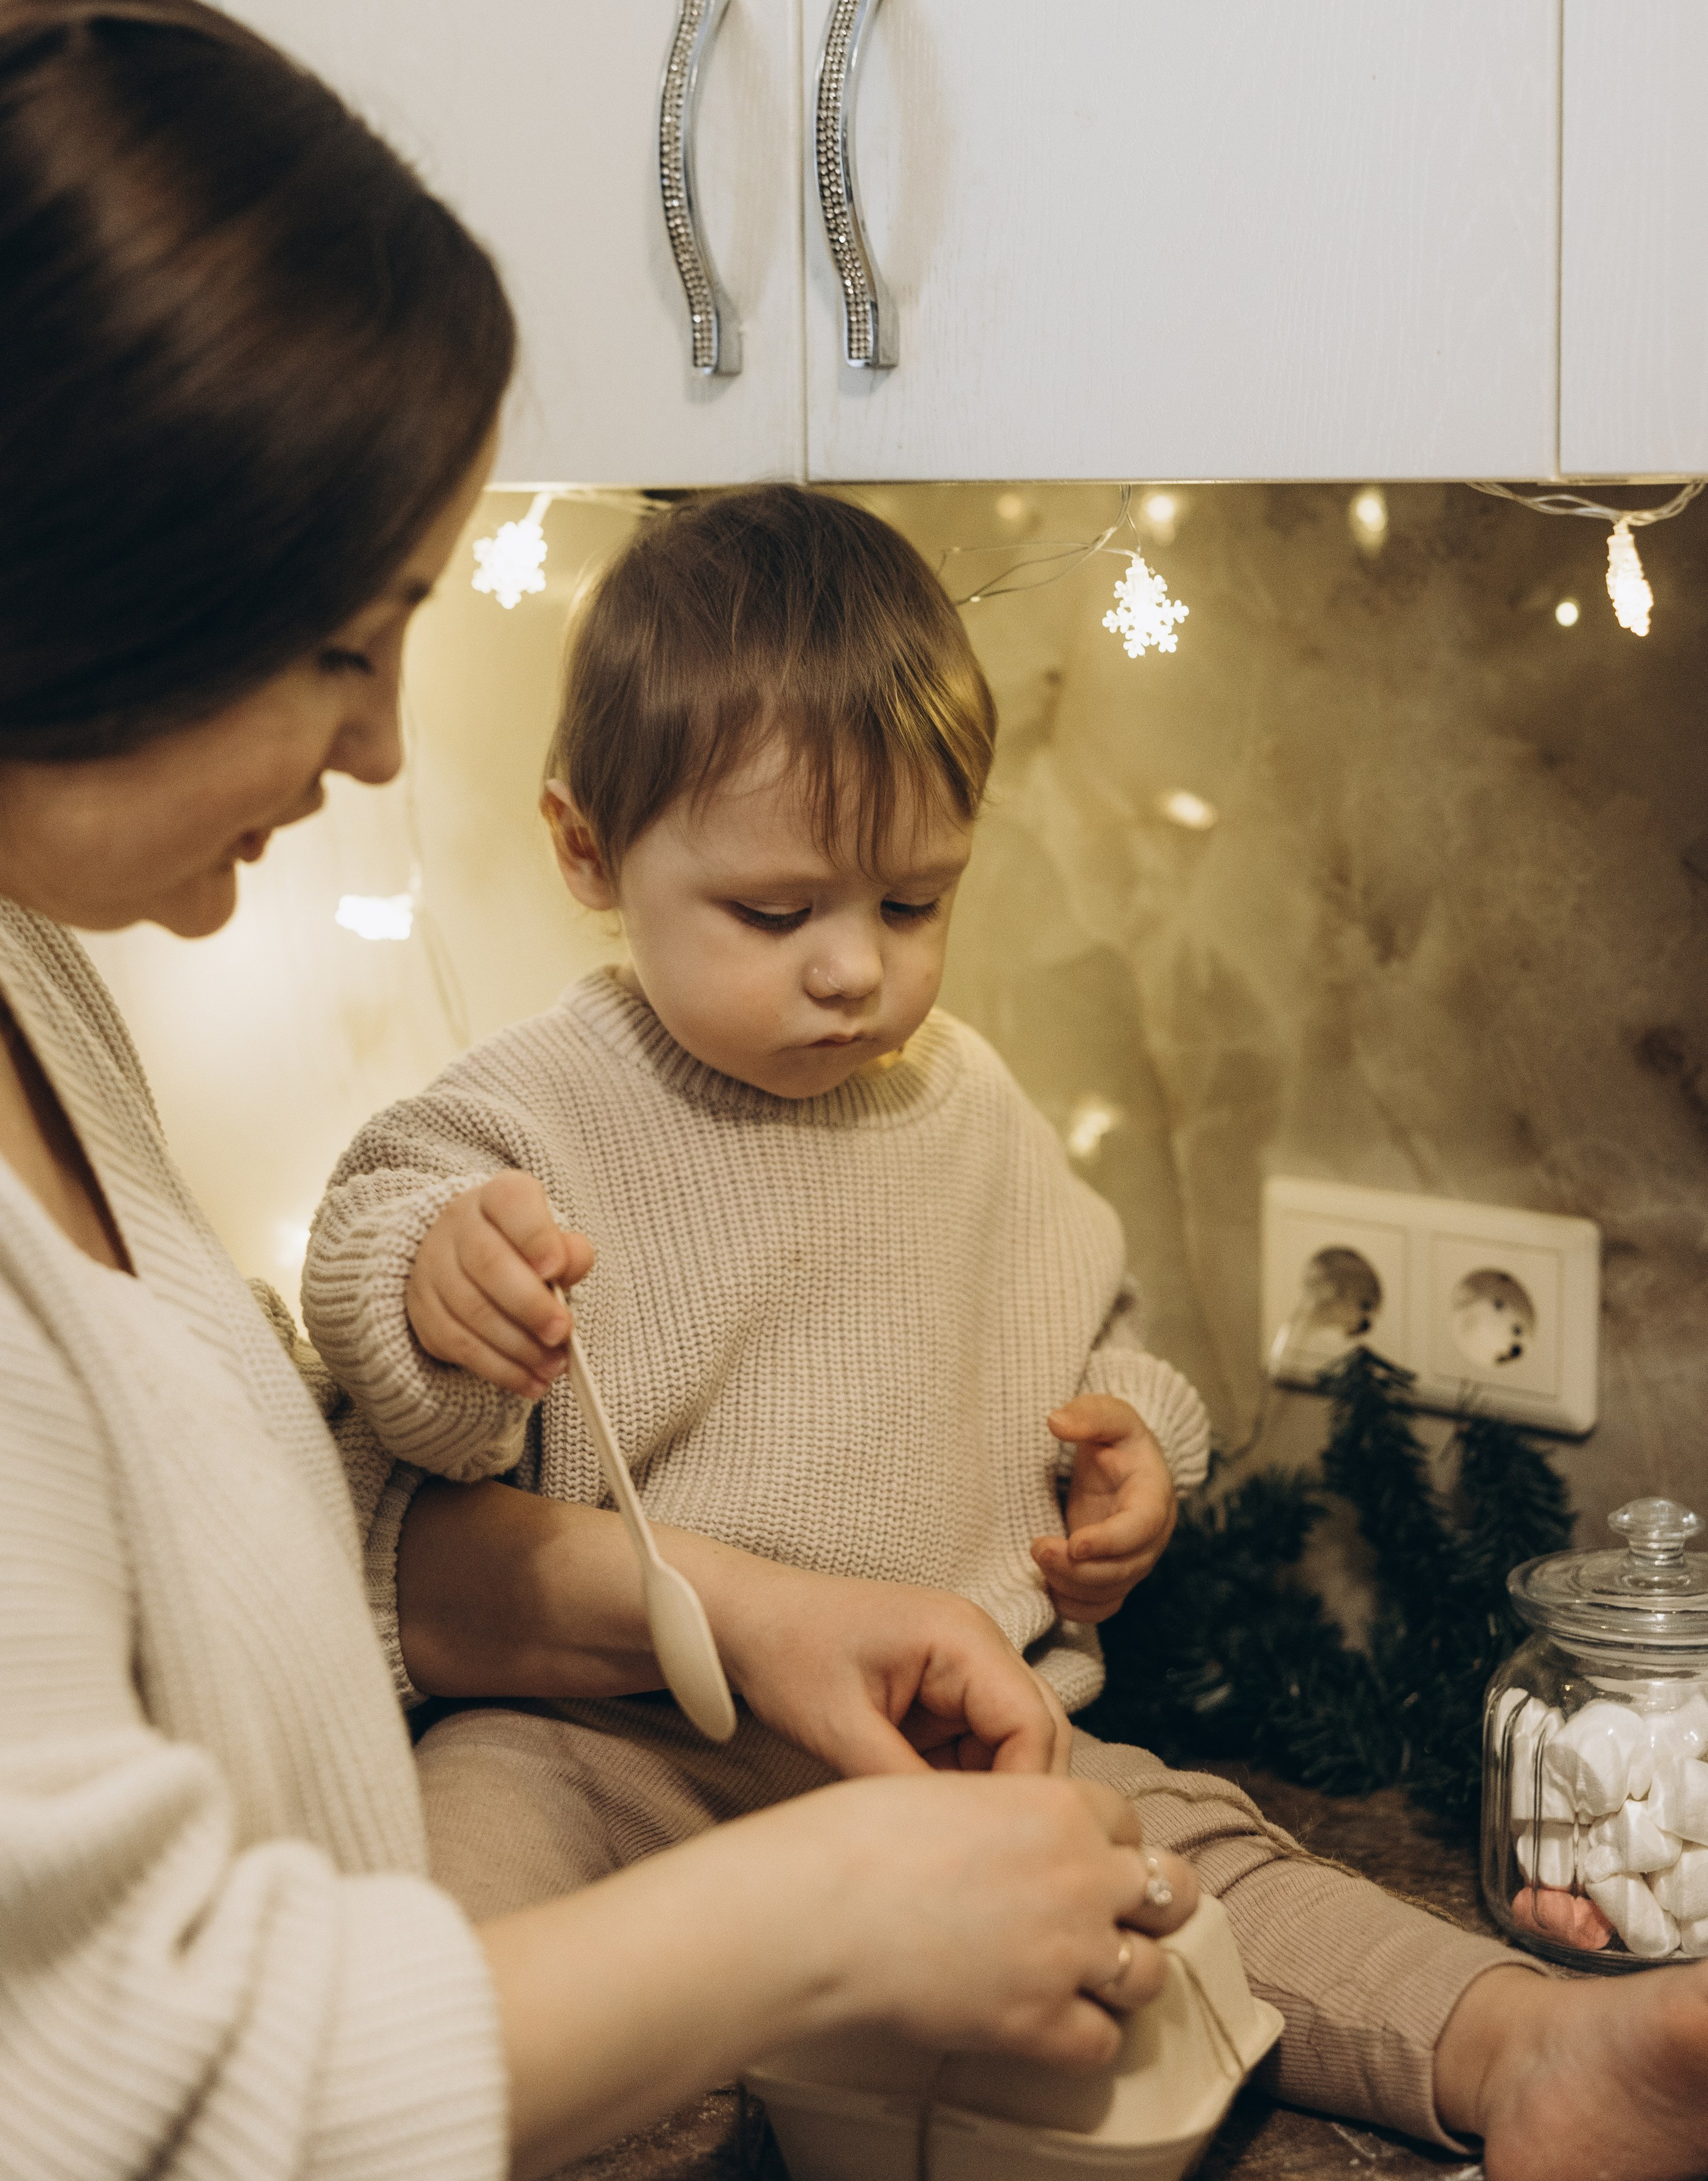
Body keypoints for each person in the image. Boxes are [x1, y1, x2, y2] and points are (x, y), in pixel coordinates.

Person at [0, 0, 1203, 2181]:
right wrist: (816, 1918)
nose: (377, 748)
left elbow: (303, 1591)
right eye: (342, 645)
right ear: (74, 586)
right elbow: (97, 2080)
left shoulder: (35, 985)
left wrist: (749, 1615)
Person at [306, 487, 1708, 2181]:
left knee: (1205, 1863)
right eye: (777, 914)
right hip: (610, 1744)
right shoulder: (527, 1110)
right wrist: (433, 1296)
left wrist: (1132, 1446)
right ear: (587, 850)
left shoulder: (958, 1100)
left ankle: (1530, 2048)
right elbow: (392, 1349)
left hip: (954, 1751)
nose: (855, 974)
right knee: (460, 1887)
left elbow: (1092, 1332)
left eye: (910, 905)